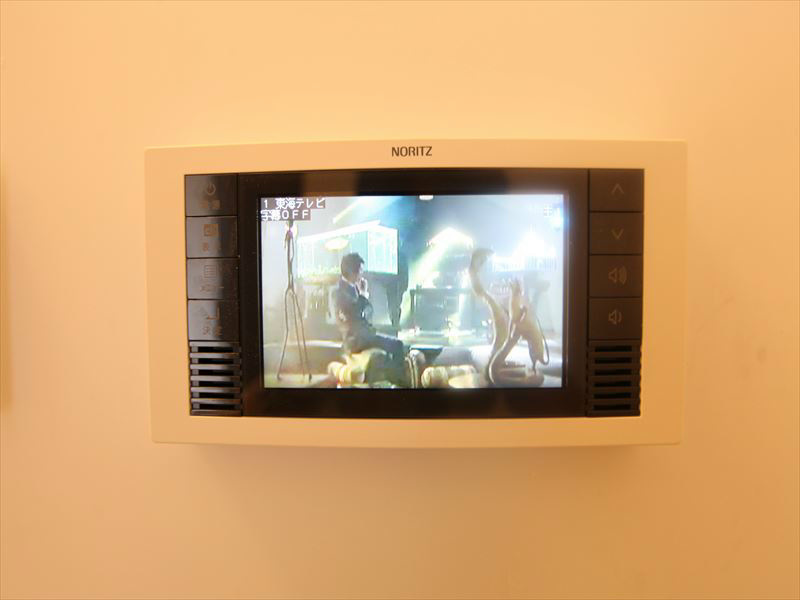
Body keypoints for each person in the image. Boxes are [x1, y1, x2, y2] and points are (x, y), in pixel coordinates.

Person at [335, 252, 405, 379]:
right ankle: (400, 382)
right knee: (398, 345)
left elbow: (366, 312)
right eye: (360, 270)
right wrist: (363, 295)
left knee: (393, 341)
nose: (362, 274)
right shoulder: (340, 292)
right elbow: (353, 314)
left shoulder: (351, 287)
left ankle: (392, 378)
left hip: (363, 335)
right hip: (356, 340)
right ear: (352, 272)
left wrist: (363, 294)